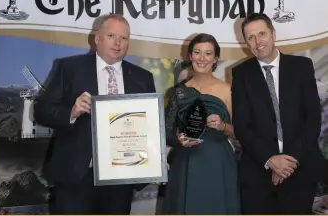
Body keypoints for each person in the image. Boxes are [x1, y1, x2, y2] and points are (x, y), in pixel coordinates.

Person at [34, 14, 156, 215]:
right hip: (77, 176)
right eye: (111, 36)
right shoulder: (69, 68)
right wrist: (71, 112)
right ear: (97, 38)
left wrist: (155, 158)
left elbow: (150, 126)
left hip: (122, 178)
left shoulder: (143, 78)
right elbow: (41, 111)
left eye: (123, 38)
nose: (118, 43)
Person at [231, 13, 325, 214]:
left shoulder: (301, 67)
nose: (258, 42)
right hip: (258, 173)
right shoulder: (241, 74)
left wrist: (288, 161)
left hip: (299, 170)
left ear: (273, 33)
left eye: (262, 34)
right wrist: (271, 160)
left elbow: (312, 118)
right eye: (251, 37)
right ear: (245, 42)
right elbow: (242, 125)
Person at [162, 33, 241, 214]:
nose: (202, 58)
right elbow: (166, 131)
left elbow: (241, 133)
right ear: (190, 56)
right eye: (197, 52)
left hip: (217, 162)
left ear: (215, 59)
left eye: (208, 53)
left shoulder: (228, 90)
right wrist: (178, 138)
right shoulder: (178, 92)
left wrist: (223, 126)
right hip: (185, 162)